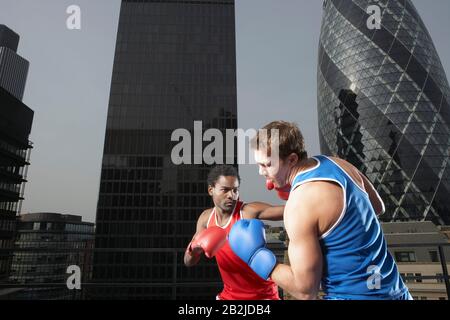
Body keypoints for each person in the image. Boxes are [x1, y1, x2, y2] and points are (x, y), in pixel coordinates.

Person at [228, 121, 412, 300]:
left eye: (267, 164)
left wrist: (256, 255)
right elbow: (378, 207)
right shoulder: (338, 164)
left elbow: (306, 291)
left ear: (292, 159)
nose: (261, 172)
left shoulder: (300, 203)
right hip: (397, 291)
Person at [184, 165, 285, 300]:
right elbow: (188, 262)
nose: (231, 195)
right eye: (225, 190)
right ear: (211, 190)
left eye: (235, 190)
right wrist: (194, 249)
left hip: (263, 295)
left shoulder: (247, 212)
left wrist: (290, 187)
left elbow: (289, 211)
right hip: (229, 296)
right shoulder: (205, 219)